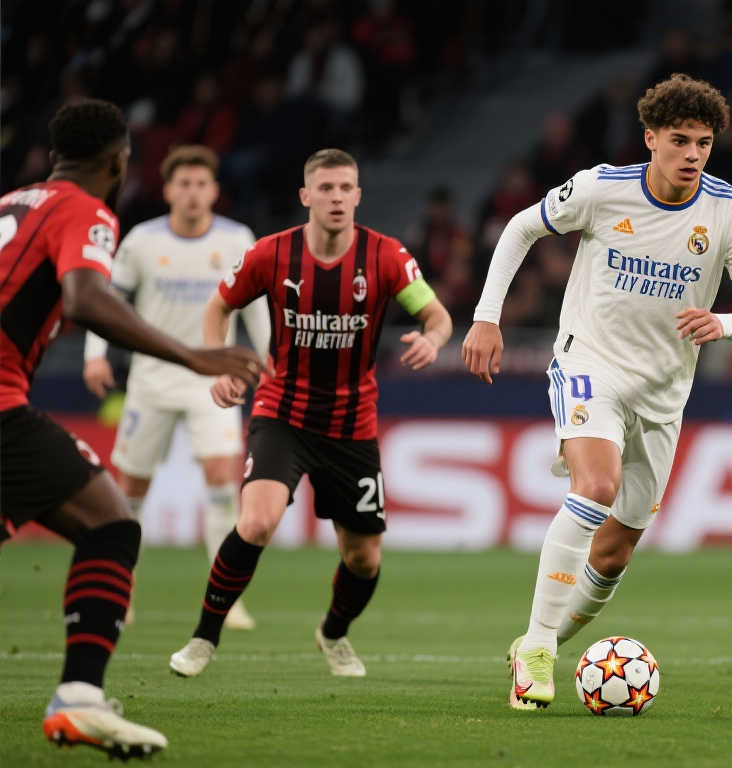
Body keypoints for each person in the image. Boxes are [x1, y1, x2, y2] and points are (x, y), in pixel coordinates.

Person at [462, 74, 732, 710]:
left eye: (704, 143)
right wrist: (486, 317)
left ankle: (542, 637)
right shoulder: (603, 188)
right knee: (596, 487)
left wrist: (724, 324)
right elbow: (521, 227)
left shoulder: (729, 209)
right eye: (680, 140)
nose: (693, 154)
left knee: (612, 556)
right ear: (651, 138)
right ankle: (538, 651)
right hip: (591, 363)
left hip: (664, 393)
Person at [0, 99, 263, 756]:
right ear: (119, 161)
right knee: (112, 524)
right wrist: (195, 355)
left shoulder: (12, 203)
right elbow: (88, 298)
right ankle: (79, 700)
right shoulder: (87, 211)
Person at [169, 148, 452, 679]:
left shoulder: (387, 256)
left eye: (345, 188)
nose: (336, 197)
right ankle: (203, 637)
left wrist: (432, 340)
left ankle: (334, 633)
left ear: (358, 195)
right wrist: (219, 364)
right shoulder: (270, 254)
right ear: (306, 196)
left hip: (352, 424)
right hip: (283, 413)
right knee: (256, 521)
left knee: (363, 558)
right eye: (325, 188)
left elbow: (437, 316)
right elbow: (218, 306)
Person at [82, 145, 270, 630]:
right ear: (167, 190)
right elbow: (105, 300)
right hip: (152, 380)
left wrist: (271, 356)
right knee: (131, 490)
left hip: (215, 379)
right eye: (183, 184)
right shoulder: (142, 241)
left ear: (214, 190)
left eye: (201, 184)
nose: (192, 193)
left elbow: (255, 305)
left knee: (221, 481)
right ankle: (121, 590)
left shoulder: (236, 238)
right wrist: (94, 355)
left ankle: (226, 600)